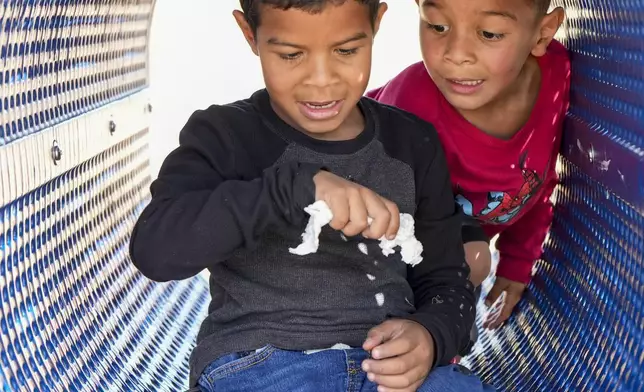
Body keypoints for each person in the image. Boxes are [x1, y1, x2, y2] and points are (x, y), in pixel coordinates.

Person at [130, 0, 496, 391]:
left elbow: (446, 280)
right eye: (290, 54)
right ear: (250, 34)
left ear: (377, 23)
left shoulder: (413, 144)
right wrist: (293, 189)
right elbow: (157, 250)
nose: (321, 80)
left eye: (346, 50)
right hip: (261, 364)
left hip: (390, 366)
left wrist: (429, 335)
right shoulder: (225, 137)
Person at [367, 0, 570, 353]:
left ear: (543, 33)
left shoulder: (556, 77)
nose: (455, 54)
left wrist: (518, 263)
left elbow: (537, 179)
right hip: (388, 240)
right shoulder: (409, 104)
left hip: (463, 259)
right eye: (437, 26)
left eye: (489, 33)